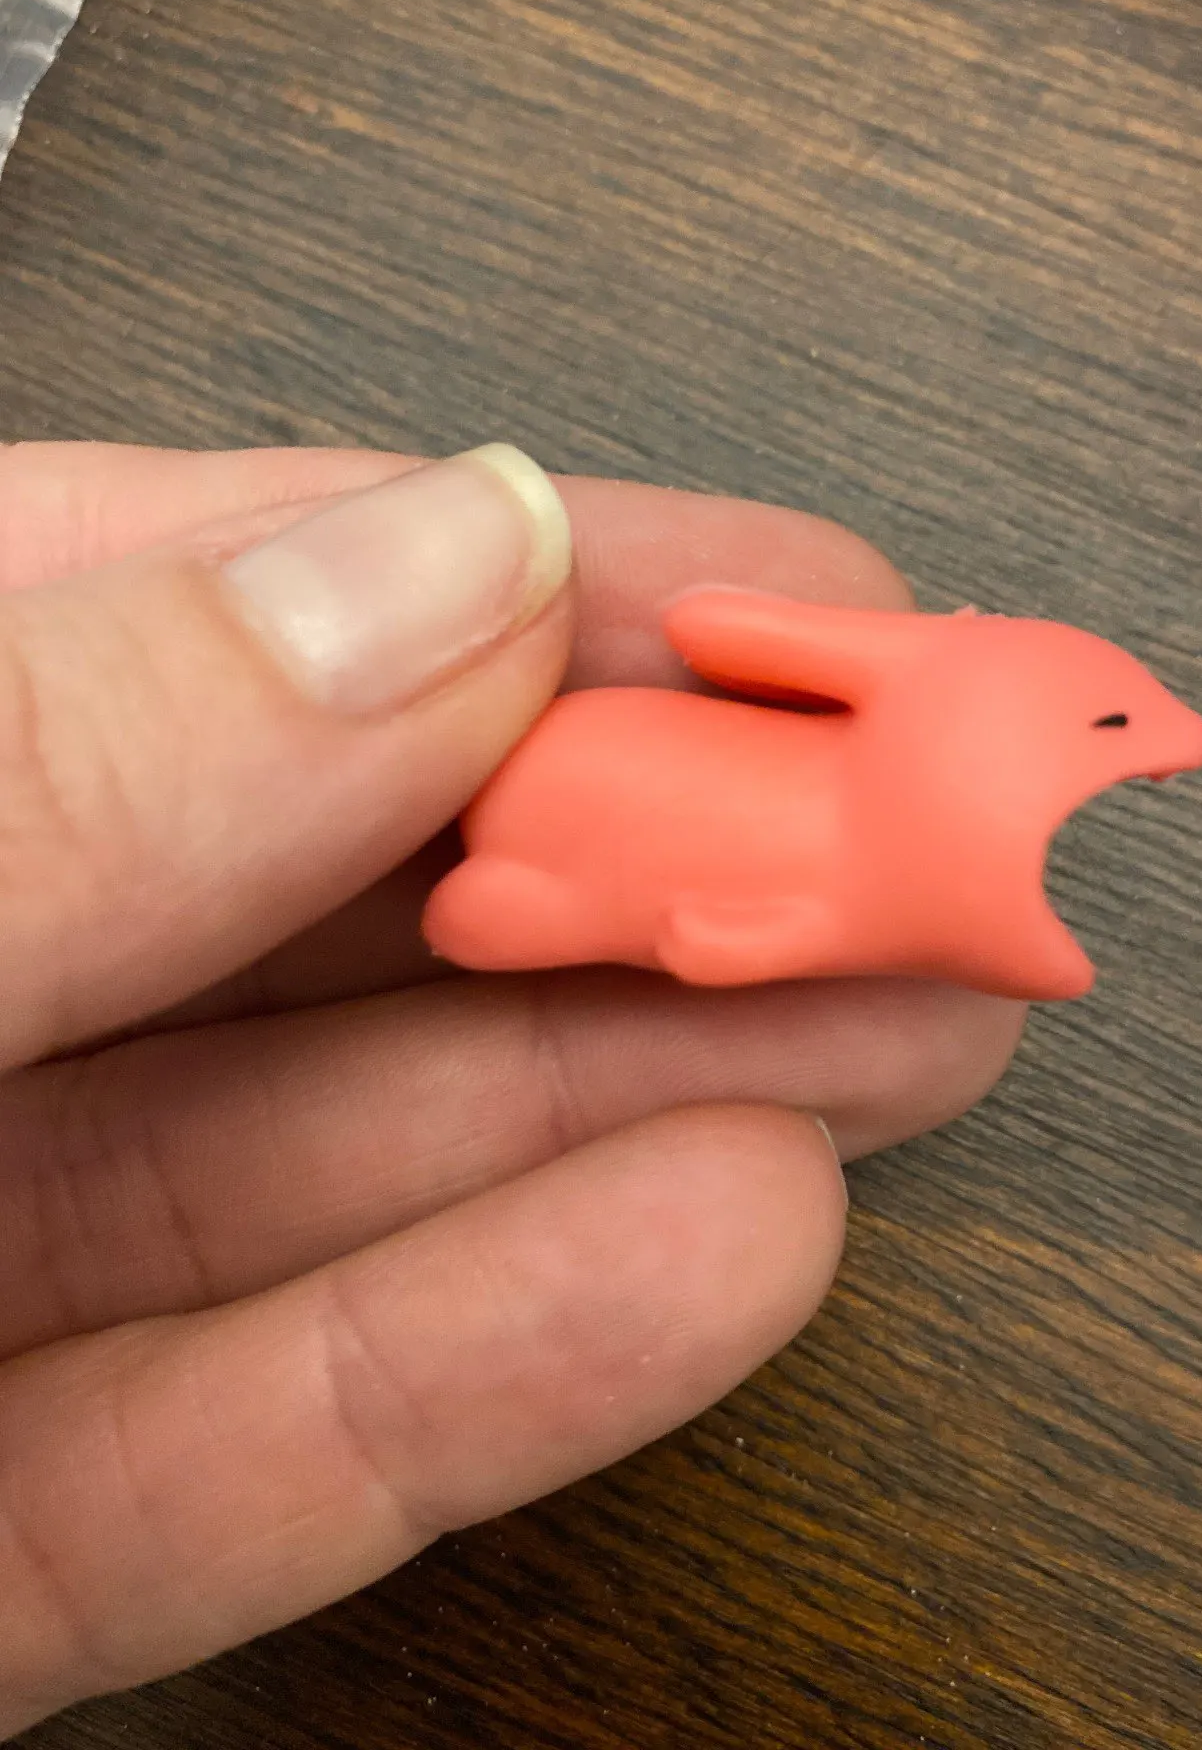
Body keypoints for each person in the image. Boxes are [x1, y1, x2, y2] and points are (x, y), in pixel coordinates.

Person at [0, 439, 1025, 1734]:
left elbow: (733, 640)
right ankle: (527, 898)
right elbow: (730, 644)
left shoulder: (879, 811)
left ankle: (526, 899)